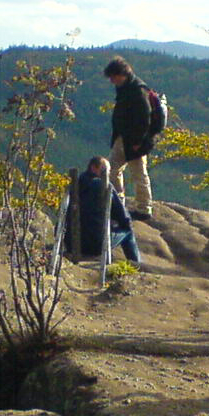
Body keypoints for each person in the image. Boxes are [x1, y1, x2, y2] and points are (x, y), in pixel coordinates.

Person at [103, 56, 155, 221]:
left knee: (138, 174)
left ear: (121, 74)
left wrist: (138, 142)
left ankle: (144, 209)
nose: (111, 81)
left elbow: (145, 119)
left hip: (134, 142)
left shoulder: (138, 90)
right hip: (122, 138)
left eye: (113, 77)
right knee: (112, 170)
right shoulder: (125, 88)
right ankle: (118, 204)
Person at [69, 156, 142, 263]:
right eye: (106, 171)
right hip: (95, 245)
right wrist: (125, 224)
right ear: (94, 168)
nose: (108, 174)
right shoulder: (105, 187)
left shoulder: (75, 184)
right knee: (128, 232)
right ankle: (137, 265)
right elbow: (123, 216)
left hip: (70, 242)